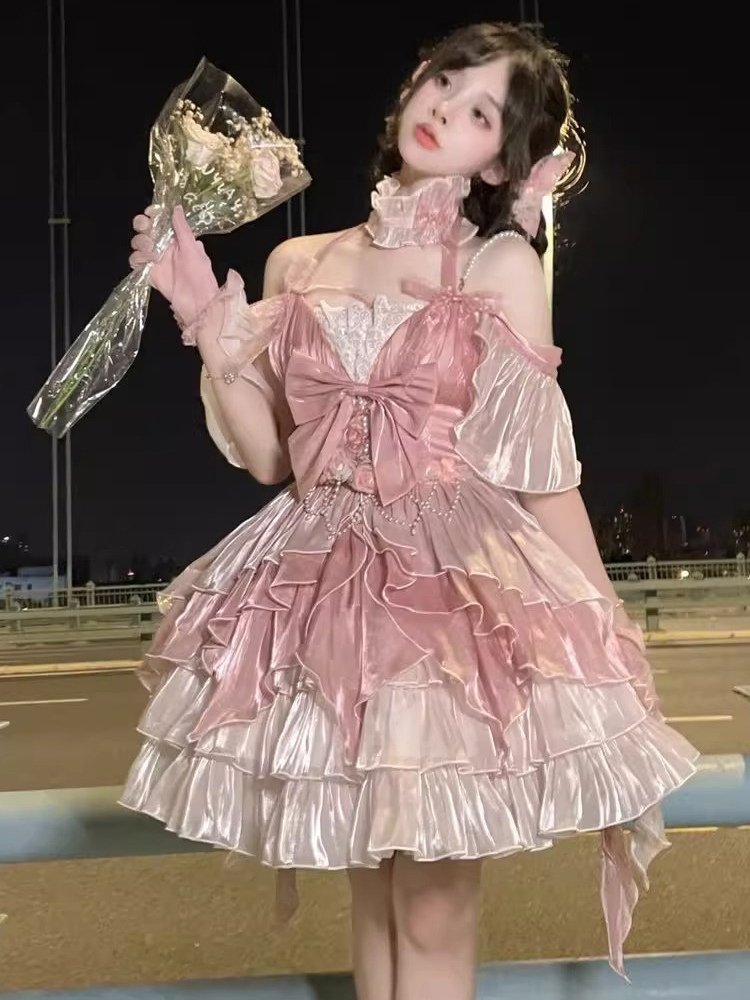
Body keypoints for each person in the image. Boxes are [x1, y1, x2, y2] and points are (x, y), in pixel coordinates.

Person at [123, 21, 699, 1000]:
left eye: (482, 112)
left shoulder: (498, 266)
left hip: (447, 603)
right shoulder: (298, 261)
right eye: (446, 79)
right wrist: (200, 312)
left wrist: (607, 632)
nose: (446, 108)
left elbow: (541, 476)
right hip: (326, 596)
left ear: (499, 159)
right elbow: (273, 457)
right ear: (412, 85)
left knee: (432, 906)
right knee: (375, 894)